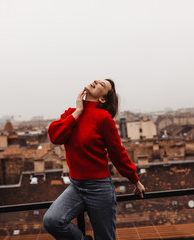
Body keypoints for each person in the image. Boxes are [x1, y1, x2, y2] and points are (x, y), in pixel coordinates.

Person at [43, 79, 146, 240]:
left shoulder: (103, 118)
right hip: (76, 186)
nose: (96, 81)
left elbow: (117, 152)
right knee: (52, 221)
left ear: (102, 99)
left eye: (102, 85)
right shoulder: (71, 114)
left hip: (99, 188)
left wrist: (134, 179)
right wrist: (77, 112)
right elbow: (55, 136)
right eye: (98, 80)